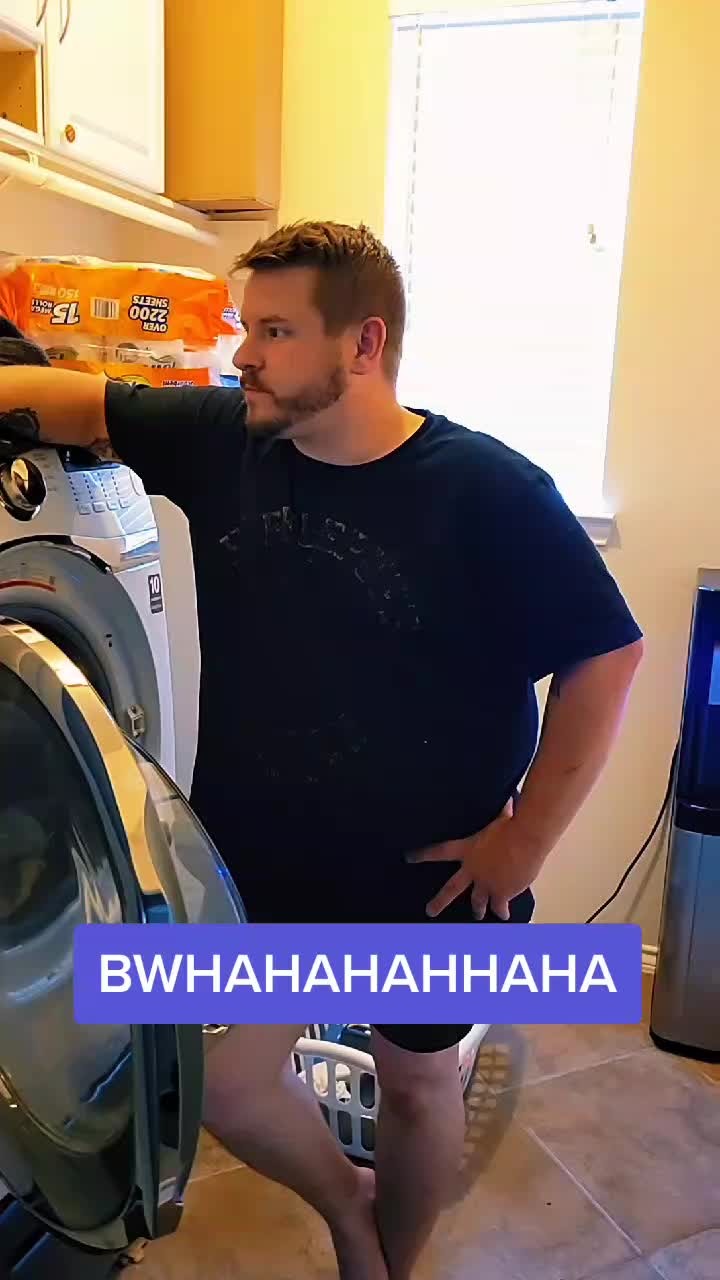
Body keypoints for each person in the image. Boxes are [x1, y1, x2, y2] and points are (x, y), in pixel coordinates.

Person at [0, 222, 643, 1280]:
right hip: (259, 859)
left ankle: (381, 1264)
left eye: (275, 331)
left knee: (418, 1088)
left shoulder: (487, 489)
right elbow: (80, 400)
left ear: (363, 344)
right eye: (245, 327)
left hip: (429, 881)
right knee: (229, 1081)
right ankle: (352, 1211)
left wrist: (526, 839)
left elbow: (609, 657)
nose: (242, 353)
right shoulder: (226, 437)